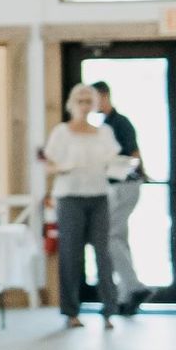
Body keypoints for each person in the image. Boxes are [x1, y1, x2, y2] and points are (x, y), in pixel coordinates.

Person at [42, 85, 120, 329]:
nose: (85, 105)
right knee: (71, 254)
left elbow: (114, 160)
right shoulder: (61, 133)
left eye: (89, 101)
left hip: (98, 196)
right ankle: (71, 311)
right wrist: (64, 167)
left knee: (103, 254)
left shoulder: (104, 132)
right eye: (80, 101)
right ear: (71, 103)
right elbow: (47, 163)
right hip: (70, 197)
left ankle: (109, 310)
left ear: (95, 104)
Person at [90, 81, 145, 316]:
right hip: (120, 185)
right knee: (119, 237)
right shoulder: (107, 125)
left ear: (103, 96)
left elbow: (134, 154)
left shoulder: (118, 123)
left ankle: (133, 286)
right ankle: (126, 295)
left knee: (110, 235)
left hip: (124, 185)